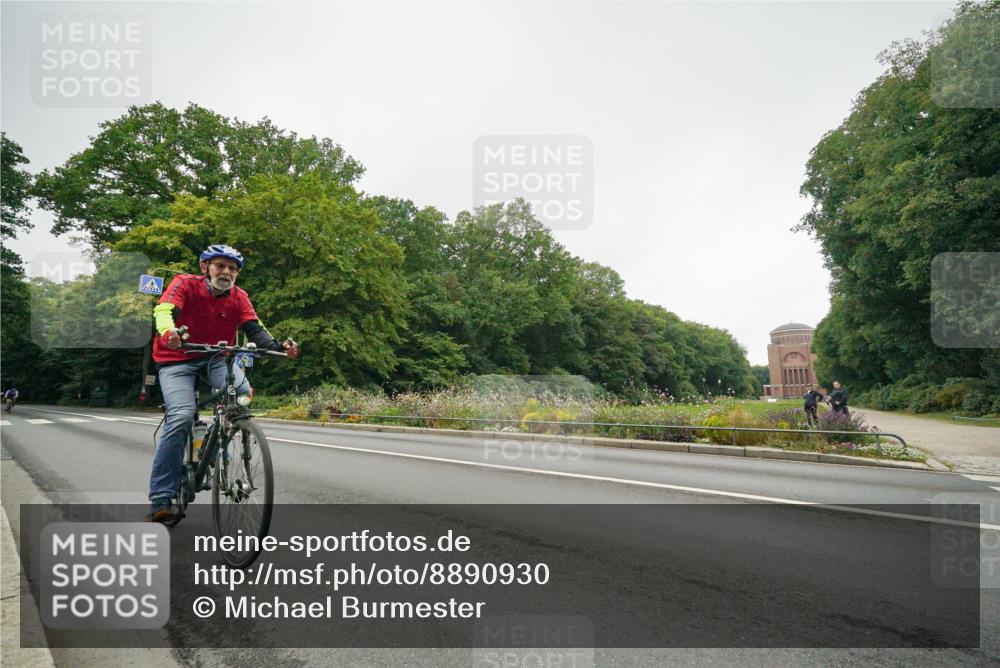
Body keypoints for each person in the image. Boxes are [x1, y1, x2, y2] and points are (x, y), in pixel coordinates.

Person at [146, 244, 300, 522]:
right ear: (205, 267)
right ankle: (161, 497)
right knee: (180, 417)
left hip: (217, 357)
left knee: (240, 393)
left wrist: (280, 346)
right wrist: (169, 332)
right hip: (176, 357)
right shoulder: (185, 283)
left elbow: (255, 329)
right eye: (221, 266)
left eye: (232, 269)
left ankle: (215, 443)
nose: (226, 272)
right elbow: (164, 310)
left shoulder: (239, 297)